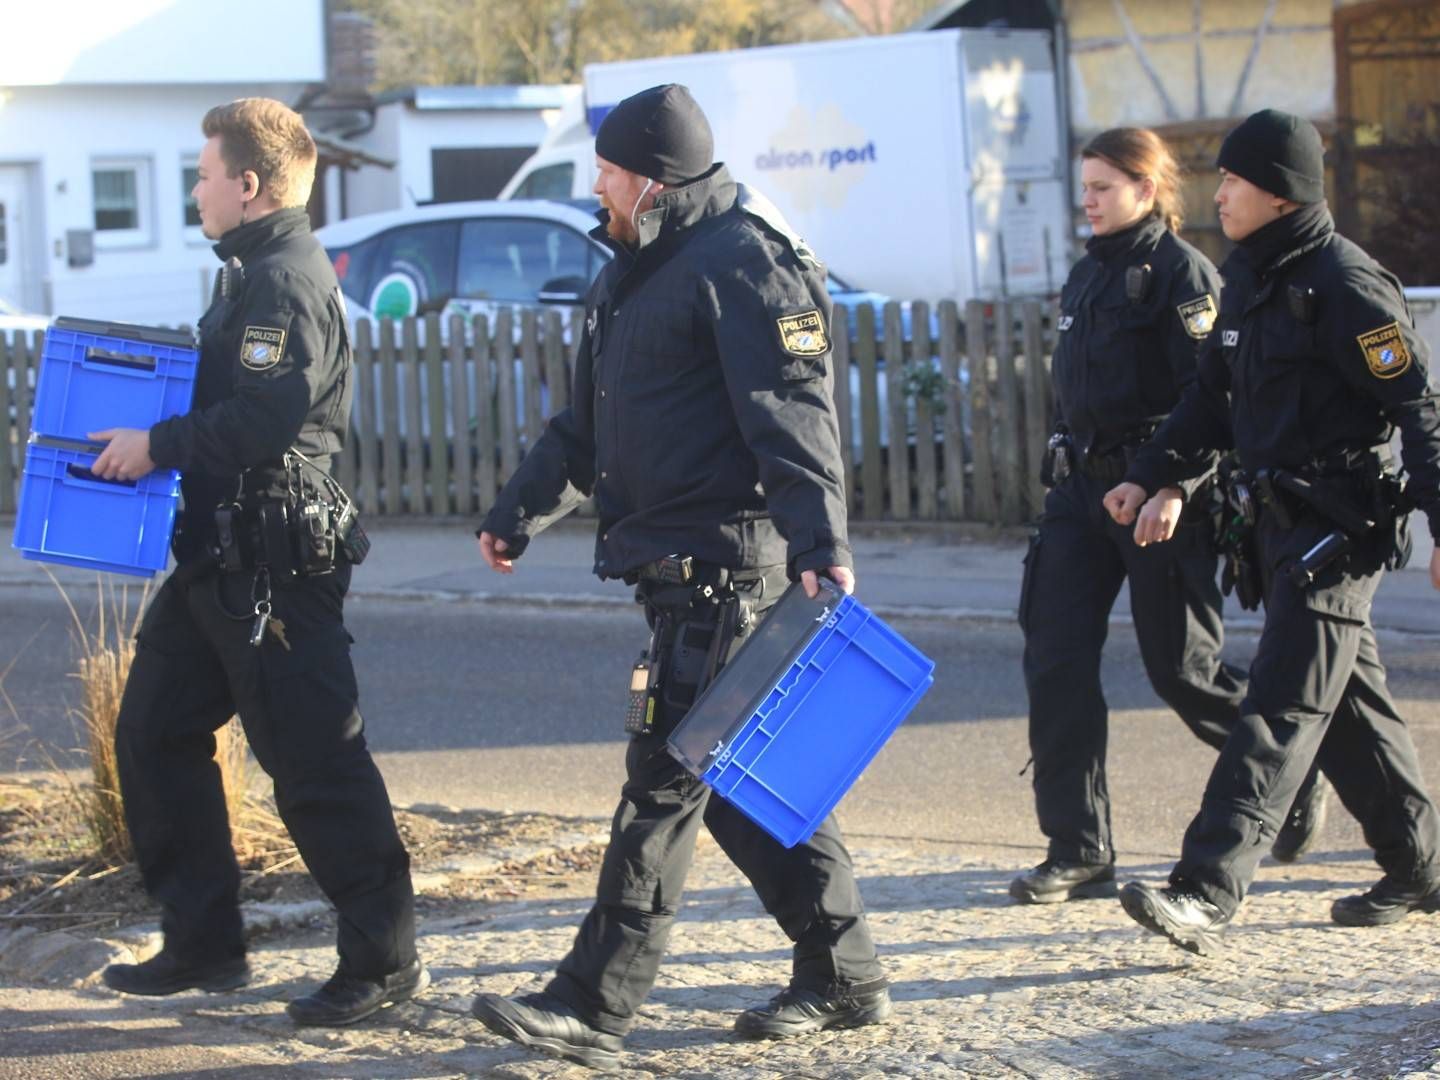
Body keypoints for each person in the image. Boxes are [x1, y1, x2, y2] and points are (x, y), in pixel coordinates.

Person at [468, 84, 890, 1071]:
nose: (596, 187)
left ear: (651, 183)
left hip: (729, 570)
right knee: (741, 785)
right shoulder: (632, 272)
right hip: (672, 566)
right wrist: (517, 513)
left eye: (609, 172)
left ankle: (592, 1002)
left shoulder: (746, 261)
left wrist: (820, 546)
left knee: (662, 781)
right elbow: (586, 425)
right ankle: (846, 972)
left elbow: (795, 415)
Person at [88, 98, 427, 1024]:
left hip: (274, 568)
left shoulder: (284, 279)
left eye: (203, 174)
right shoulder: (243, 273)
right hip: (216, 562)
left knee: (315, 765)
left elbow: (264, 419)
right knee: (153, 736)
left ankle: (384, 961)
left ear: (248, 184)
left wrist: (155, 443)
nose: (195, 190)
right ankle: (203, 946)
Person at [1104, 108, 1440, 955]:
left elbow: (1420, 411)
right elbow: (1210, 400)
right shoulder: (1248, 279)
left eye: (1234, 181)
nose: (1219, 195)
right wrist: (1150, 471)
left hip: (1340, 531)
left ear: (1280, 194)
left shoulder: (1348, 286)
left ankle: (1206, 889)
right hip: (1275, 529)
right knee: (1354, 711)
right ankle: (1419, 867)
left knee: (1280, 705)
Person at [1011, 127, 1330, 907]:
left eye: (1101, 188)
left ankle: (1288, 774)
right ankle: (1078, 848)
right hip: (1081, 497)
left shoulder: (1182, 275)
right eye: (1082, 187)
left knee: (1181, 672)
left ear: (1146, 190)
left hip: (1160, 498)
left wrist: (1176, 487)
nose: (1086, 201)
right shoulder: (1087, 276)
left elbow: (1216, 399)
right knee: (1054, 665)